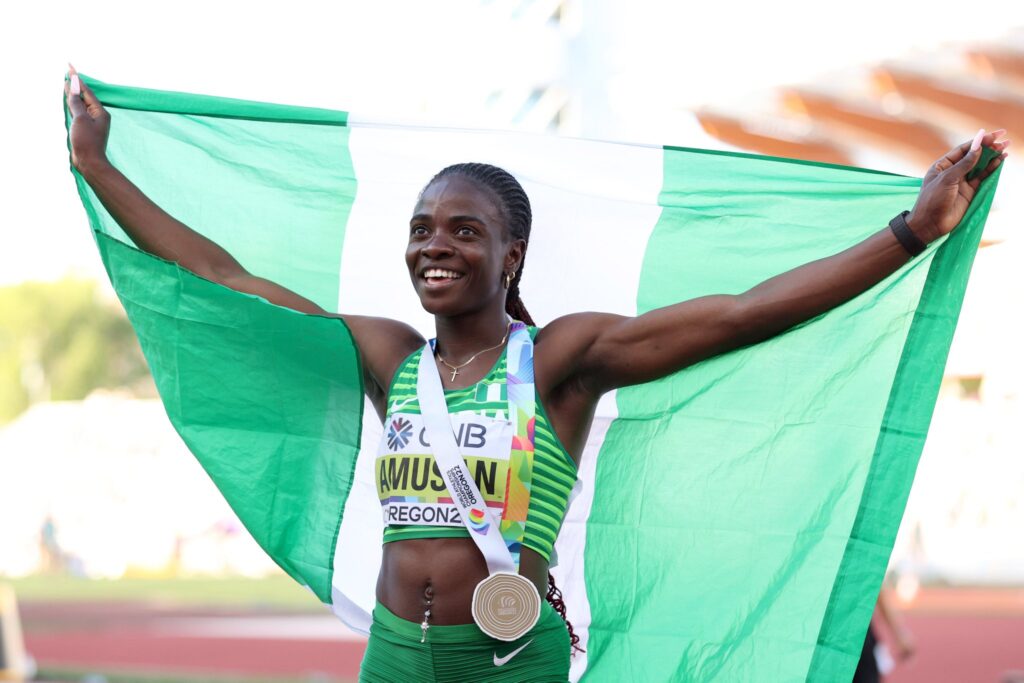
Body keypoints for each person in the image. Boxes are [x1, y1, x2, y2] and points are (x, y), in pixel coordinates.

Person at [64, 67, 1008, 682]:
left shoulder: (562, 360)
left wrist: (908, 234)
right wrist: (101, 170)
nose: (435, 246)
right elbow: (226, 278)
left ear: (511, 257)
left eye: (464, 231)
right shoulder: (388, 354)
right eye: (423, 229)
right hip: (396, 654)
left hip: (510, 652)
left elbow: (738, 316)